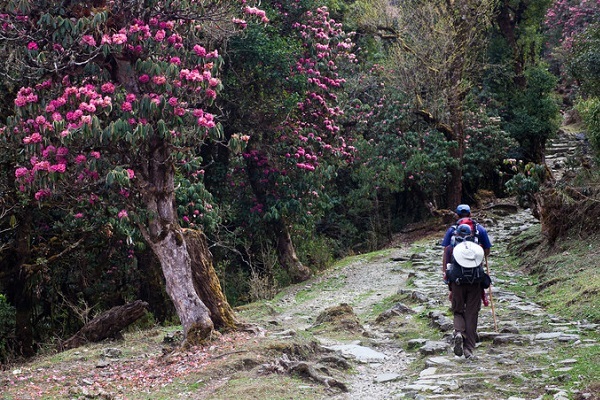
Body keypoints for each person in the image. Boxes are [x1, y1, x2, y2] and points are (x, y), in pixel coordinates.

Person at [441, 204, 492, 359]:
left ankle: (458, 333)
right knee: (472, 314)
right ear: (470, 213)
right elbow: (487, 251)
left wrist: (446, 275)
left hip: (456, 281)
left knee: (458, 310)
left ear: (457, 215)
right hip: (475, 281)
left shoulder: (451, 231)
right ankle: (468, 349)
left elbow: (446, 253)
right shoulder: (480, 230)